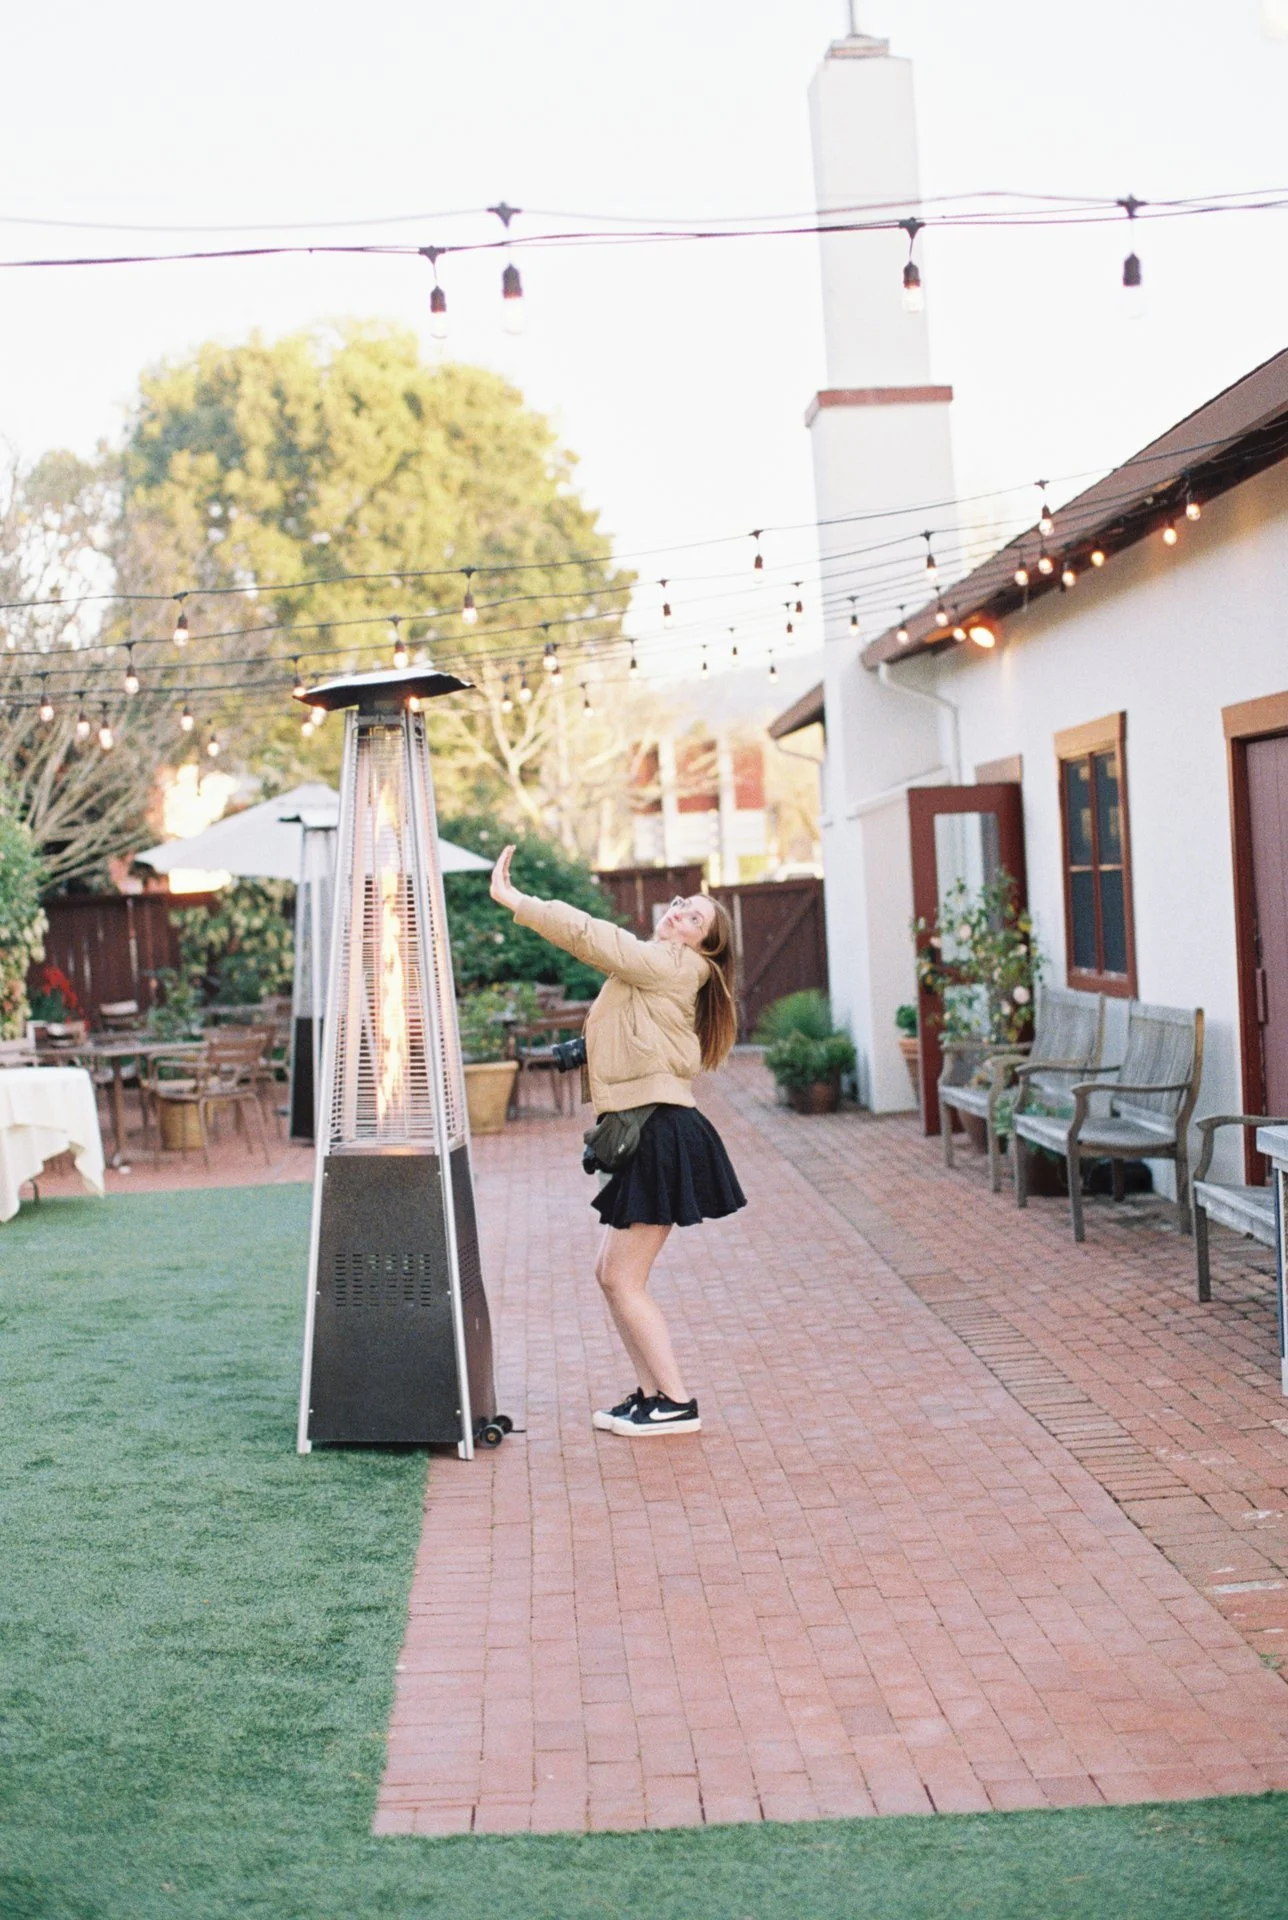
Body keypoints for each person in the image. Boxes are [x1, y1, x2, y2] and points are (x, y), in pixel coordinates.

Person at [489, 846, 745, 1437]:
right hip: (643, 1128)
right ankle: (651, 1395)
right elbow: (638, 1029)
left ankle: (677, 1403)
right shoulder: (664, 968)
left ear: (704, 945)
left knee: (624, 1279)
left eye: (694, 919)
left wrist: (521, 902)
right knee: (610, 1274)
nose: (679, 913)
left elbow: (595, 938)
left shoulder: (676, 964)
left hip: (660, 1132)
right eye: (682, 905)